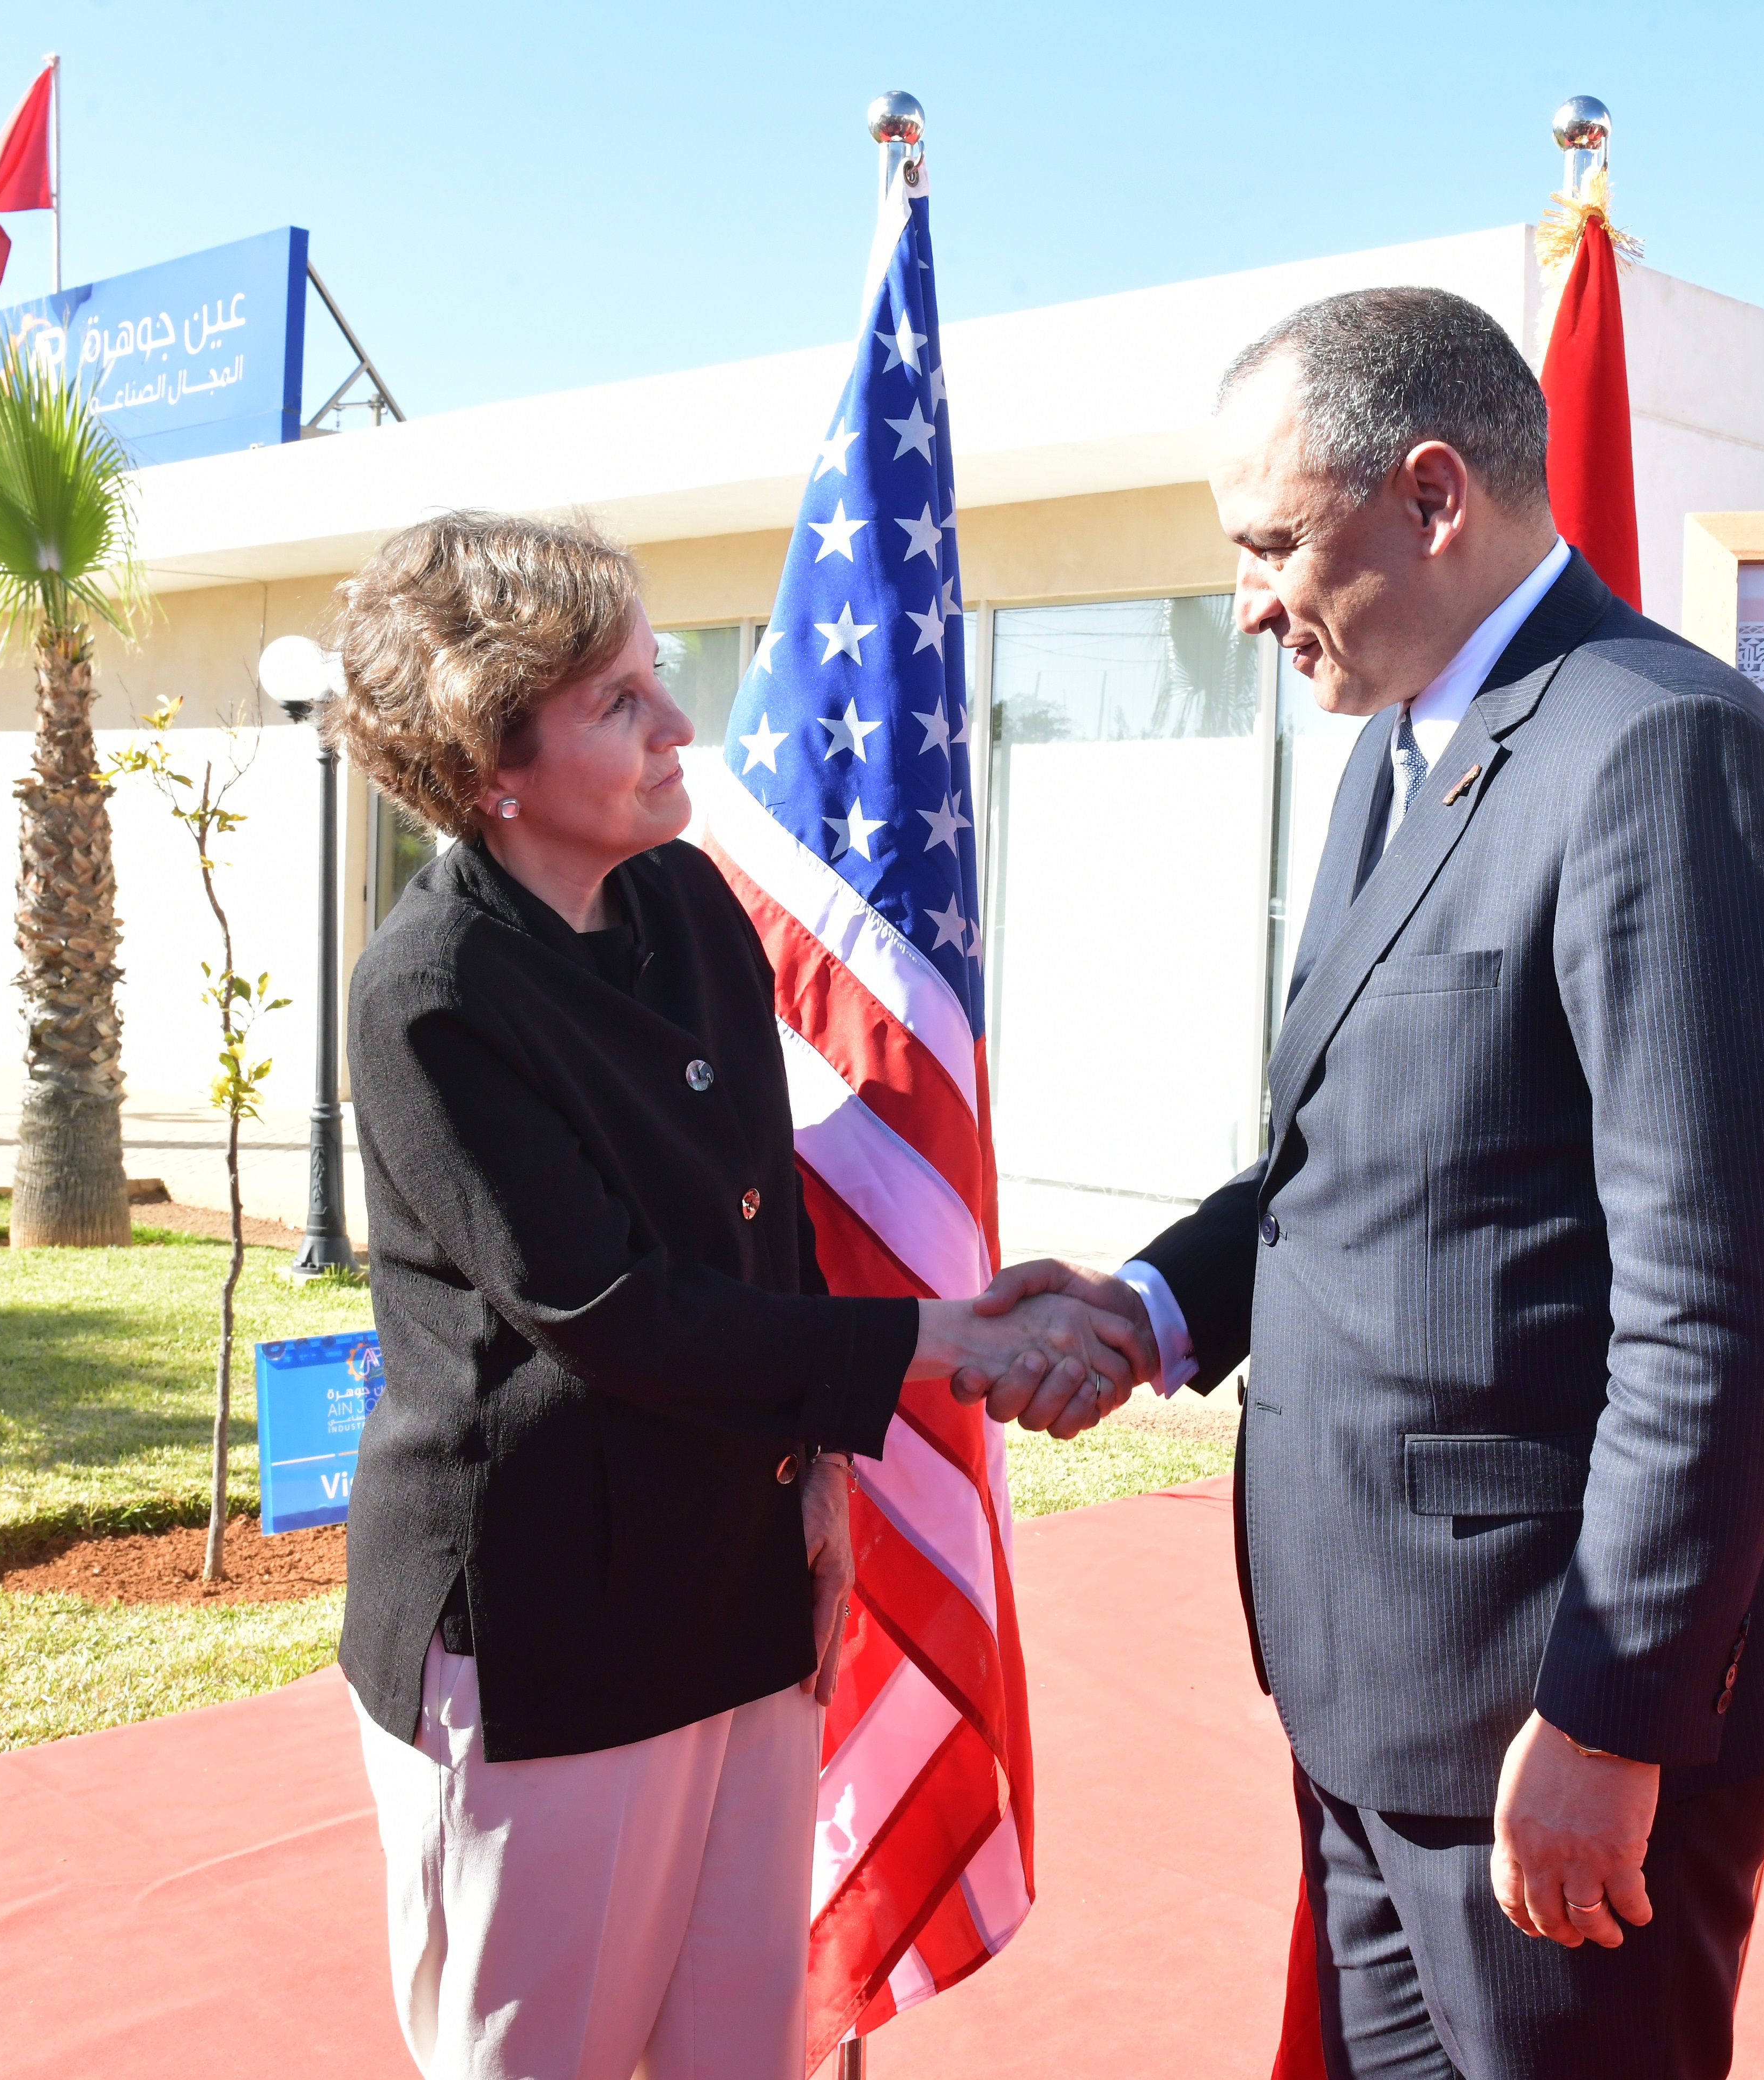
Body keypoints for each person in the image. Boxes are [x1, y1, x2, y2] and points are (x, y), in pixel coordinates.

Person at [965, 289, 1764, 2079]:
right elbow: (1368, 1154)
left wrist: (1611, 1715)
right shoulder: (1402, 743)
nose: (1242, 604)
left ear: (1433, 498)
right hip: (1379, 1671)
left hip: (1552, 1692)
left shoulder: (1655, 753)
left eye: (1269, 544)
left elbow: (1725, 1293)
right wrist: (1147, 1305)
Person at [322, 511, 1140, 2080]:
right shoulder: (433, 993)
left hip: (740, 1586)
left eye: (656, 677)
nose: (677, 721)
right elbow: (615, 1309)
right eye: (620, 701)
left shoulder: (689, 907)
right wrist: (931, 1344)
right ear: (493, 760)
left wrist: (822, 1475)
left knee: (736, 2048)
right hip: (551, 1629)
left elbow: (758, 1231)